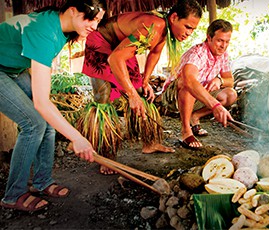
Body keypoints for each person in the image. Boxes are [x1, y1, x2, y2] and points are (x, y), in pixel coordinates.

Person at [0, 0, 107, 212]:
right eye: (91, 19)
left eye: (98, 21)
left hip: (12, 68)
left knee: (47, 123)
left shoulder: (64, 29)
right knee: (34, 123)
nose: (94, 26)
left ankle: (42, 182)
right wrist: (77, 137)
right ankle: (13, 195)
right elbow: (41, 103)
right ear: (73, 11)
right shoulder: (44, 31)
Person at [82, 0, 203, 173]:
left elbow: (154, 53)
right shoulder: (154, 25)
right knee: (103, 98)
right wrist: (131, 94)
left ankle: (150, 142)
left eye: (193, 30)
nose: (189, 33)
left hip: (121, 45)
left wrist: (144, 81)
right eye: (188, 27)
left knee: (143, 93)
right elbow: (115, 59)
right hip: (102, 43)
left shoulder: (165, 30)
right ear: (175, 17)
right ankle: (106, 156)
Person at [161, 19, 237, 150]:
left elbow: (230, 80)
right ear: (209, 37)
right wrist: (216, 106)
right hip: (173, 97)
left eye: (227, 41)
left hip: (198, 96)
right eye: (220, 40)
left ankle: (194, 117)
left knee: (230, 94)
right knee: (188, 84)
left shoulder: (223, 55)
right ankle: (185, 131)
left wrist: (220, 80)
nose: (223, 46)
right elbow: (189, 81)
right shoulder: (197, 53)